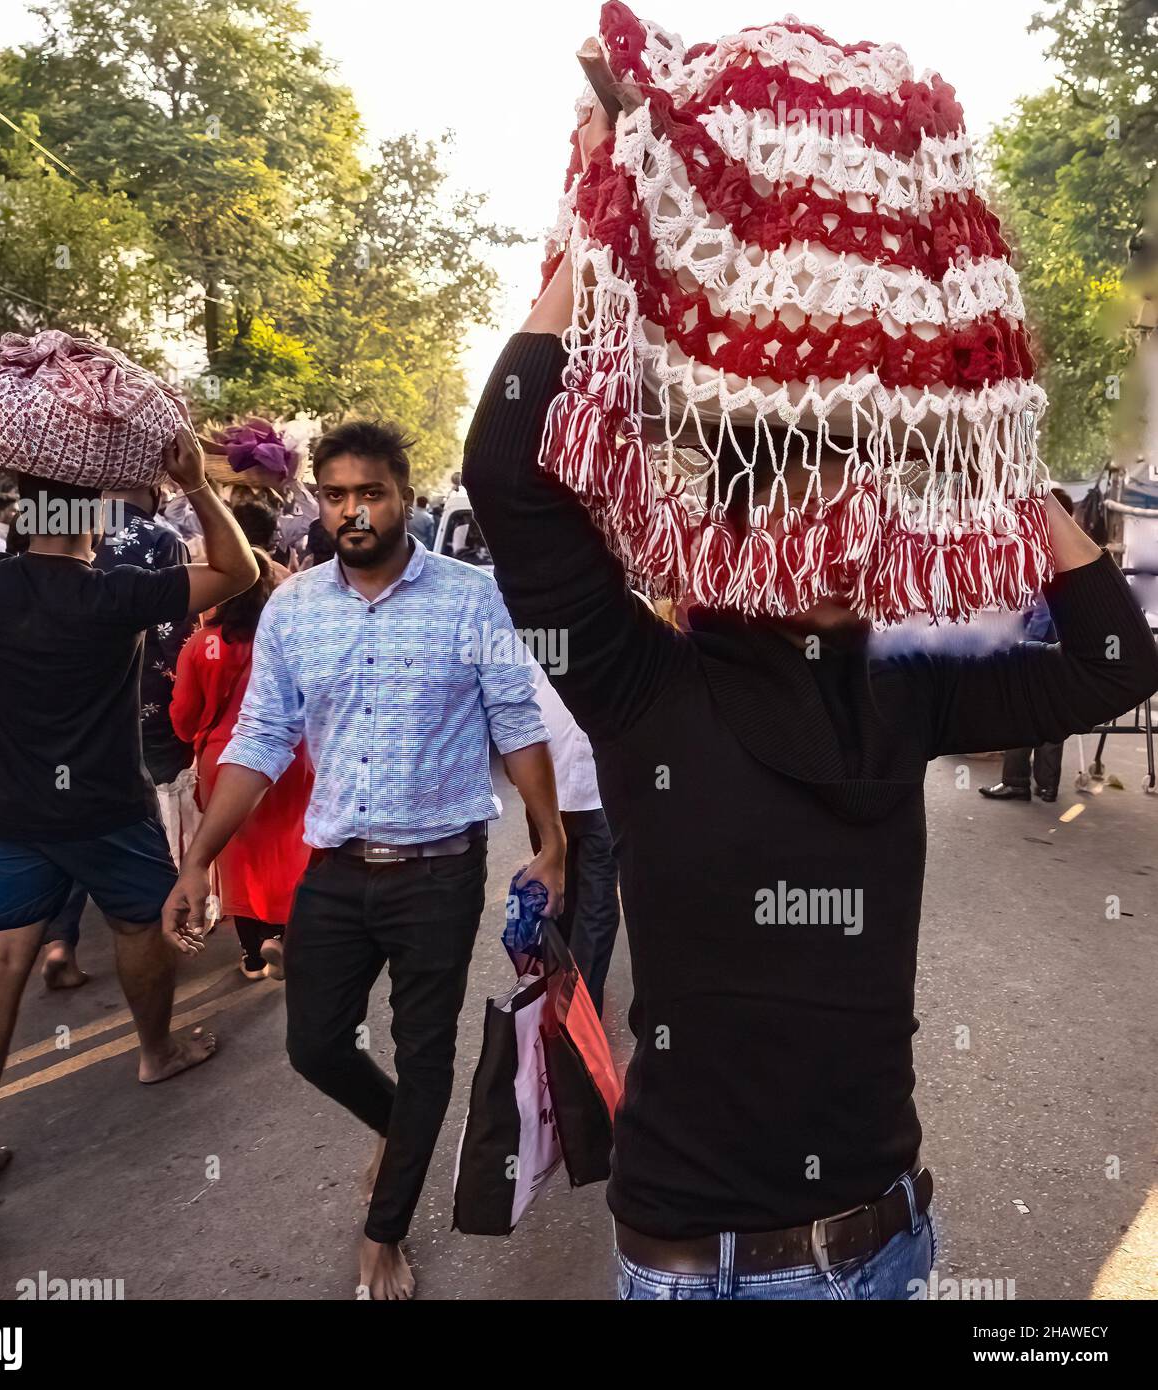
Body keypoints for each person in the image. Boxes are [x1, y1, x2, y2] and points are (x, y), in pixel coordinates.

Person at [462, 106, 1158, 1301]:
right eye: (806, 494)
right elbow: (508, 480)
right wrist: (602, 240)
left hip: (887, 1243)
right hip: (699, 1268)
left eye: (865, 495)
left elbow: (1115, 661)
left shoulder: (909, 690)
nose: (843, 530)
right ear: (730, 520)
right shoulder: (640, 683)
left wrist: (992, 443)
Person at [163, 418, 564, 1301]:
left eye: (369, 493)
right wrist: (198, 862)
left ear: (403, 498)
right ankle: (402, 1129)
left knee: (426, 1057)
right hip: (336, 869)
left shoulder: (470, 598)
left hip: (440, 871)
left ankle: (384, 1230)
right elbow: (260, 738)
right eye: (336, 495)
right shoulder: (294, 608)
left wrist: (551, 841)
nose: (351, 511)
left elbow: (516, 719)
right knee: (313, 1046)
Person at [0, 433, 258, 1182]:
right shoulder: (116, 591)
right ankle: (156, 1053)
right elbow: (238, 570)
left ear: (27, 517)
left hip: (9, 814)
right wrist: (195, 483)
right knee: (138, 925)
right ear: (91, 517)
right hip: (107, 810)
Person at [38, 481, 203, 989]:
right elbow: (176, 628)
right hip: (142, 697)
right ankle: (165, 917)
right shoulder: (160, 536)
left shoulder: (50, 526)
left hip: (59, 702)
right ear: (154, 487)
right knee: (140, 814)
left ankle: (60, 939)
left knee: (66, 817)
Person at [171, 548, 313, 980]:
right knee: (292, 849)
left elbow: (182, 718)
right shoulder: (291, 637)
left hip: (225, 762)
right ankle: (284, 935)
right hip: (291, 759)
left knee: (239, 858)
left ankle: (253, 954)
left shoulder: (200, 644)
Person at [525, 659, 620, 1016]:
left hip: (603, 791)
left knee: (597, 902)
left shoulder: (631, 614)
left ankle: (579, 1013)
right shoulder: (532, 629)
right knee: (558, 896)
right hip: (549, 791)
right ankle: (559, 988)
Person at [978, 488, 1076, 804]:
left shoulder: (1046, 546)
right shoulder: (1075, 547)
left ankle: (1016, 781)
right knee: (1053, 713)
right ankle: (1047, 785)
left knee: (1021, 711)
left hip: (1040, 645)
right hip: (1064, 646)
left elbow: (1044, 609)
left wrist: (1024, 645)